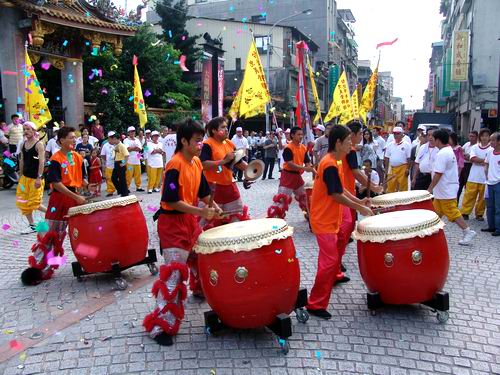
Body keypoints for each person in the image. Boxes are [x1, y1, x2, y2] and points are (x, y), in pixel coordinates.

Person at [143, 119, 222, 346]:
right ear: (184, 141)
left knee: (201, 257)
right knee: (174, 275)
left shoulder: (196, 162)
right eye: (197, 141)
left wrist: (214, 209)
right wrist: (201, 211)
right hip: (172, 224)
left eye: (201, 140)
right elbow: (171, 200)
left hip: (189, 221)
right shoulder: (174, 165)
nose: (200, 145)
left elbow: (204, 191)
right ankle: (161, 327)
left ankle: (198, 290)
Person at [306, 125, 373, 319]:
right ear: (338, 143)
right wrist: (359, 208)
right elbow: (335, 194)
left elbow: (341, 189)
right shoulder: (329, 163)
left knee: (329, 261)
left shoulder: (336, 161)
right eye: (348, 141)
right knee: (330, 262)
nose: (351, 144)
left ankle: (317, 301)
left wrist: (358, 201)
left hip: (329, 219)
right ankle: (315, 304)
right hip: (323, 220)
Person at [21, 126, 88, 285]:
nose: (74, 140)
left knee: (80, 232)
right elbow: (56, 183)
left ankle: (90, 261)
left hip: (74, 197)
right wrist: (76, 196)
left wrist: (87, 186)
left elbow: (81, 179)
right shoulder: (55, 159)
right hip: (59, 200)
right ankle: (37, 269)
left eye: (74, 137)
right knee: (51, 234)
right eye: (71, 137)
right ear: (61, 141)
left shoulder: (78, 157)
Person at [428, 129, 476, 246]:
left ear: (438, 140)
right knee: (437, 212)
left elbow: (438, 173)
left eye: (433, 138)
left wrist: (429, 189)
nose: (431, 140)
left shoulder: (443, 153)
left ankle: (467, 231)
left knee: (452, 212)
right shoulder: (447, 150)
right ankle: (433, 233)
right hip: (443, 190)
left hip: (446, 189)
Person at [200, 117, 250, 226]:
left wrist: (251, 172)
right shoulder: (207, 144)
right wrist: (223, 161)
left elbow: (238, 162)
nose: (226, 129)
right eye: (223, 127)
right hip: (212, 188)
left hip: (230, 187)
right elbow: (203, 165)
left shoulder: (230, 144)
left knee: (236, 220)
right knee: (209, 223)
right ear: (214, 130)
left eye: (226, 127)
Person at [267, 126, 315, 219]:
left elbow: (307, 162)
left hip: (297, 177)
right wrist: (305, 168)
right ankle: (275, 219)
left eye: (302, 134)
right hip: (287, 176)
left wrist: (309, 167)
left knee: (304, 197)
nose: (301, 136)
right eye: (298, 134)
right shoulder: (288, 148)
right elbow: (290, 164)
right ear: (292, 135)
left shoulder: (303, 148)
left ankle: (309, 215)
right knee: (281, 199)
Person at [16, 122, 47, 230]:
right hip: (25, 178)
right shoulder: (23, 144)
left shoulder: (39, 144)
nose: (26, 131)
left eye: (28, 129)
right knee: (23, 202)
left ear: (34, 131)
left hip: (35, 178)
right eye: (24, 129)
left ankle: (53, 215)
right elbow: (22, 160)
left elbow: (42, 162)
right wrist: (20, 176)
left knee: (34, 203)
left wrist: (39, 177)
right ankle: (32, 225)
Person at [460, 128, 492, 221]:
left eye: (486, 135)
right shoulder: (475, 147)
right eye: (483, 136)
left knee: (482, 198)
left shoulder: (491, 148)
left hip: (485, 177)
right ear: (480, 137)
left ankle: (479, 214)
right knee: (469, 195)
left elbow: (490, 161)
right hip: (473, 176)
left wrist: (481, 161)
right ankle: (465, 212)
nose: (485, 138)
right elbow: (472, 158)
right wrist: (485, 161)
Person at [384, 126, 411, 192]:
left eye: (398, 133)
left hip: (403, 168)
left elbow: (409, 158)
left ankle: (403, 201)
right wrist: (386, 170)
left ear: (402, 134)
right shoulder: (390, 145)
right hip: (392, 168)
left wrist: (408, 168)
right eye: (394, 133)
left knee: (403, 187)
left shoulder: (406, 145)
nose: (396, 135)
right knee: (391, 186)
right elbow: (386, 158)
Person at [483, 132, 500, 236]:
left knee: (498, 208)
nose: (491, 142)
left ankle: (498, 228)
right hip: (489, 183)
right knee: (489, 206)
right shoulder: (490, 152)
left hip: (498, 183)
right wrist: (486, 173)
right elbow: (486, 163)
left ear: (499, 141)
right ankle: (491, 226)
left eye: (493, 140)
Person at [458, 131, 478, 200]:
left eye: (473, 136)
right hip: (463, 165)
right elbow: (461, 152)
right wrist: (464, 155)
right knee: (459, 185)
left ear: (476, 137)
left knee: (468, 185)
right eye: (470, 136)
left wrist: (465, 155)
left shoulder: (477, 146)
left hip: (470, 166)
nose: (471, 138)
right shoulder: (467, 144)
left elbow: (471, 158)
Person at [123, 126, 144, 192]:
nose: (132, 133)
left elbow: (140, 149)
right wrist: (135, 148)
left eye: (133, 131)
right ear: (128, 132)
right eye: (131, 131)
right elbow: (127, 149)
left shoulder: (137, 140)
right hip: (129, 161)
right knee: (129, 175)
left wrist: (132, 148)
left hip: (137, 160)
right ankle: (127, 187)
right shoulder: (125, 140)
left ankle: (139, 187)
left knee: (138, 174)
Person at [110, 133, 129, 197]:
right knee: (113, 178)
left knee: (122, 179)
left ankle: (124, 193)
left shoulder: (122, 146)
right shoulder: (116, 146)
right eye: (113, 139)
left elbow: (126, 155)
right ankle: (120, 191)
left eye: (115, 139)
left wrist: (123, 163)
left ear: (119, 139)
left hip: (120, 163)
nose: (114, 141)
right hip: (116, 163)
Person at [100, 131, 116, 197]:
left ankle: (120, 189)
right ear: (108, 138)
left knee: (118, 178)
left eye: (113, 137)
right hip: (109, 165)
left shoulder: (117, 144)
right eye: (111, 137)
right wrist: (107, 160)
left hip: (117, 165)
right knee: (109, 178)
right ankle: (110, 191)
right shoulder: (105, 145)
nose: (113, 138)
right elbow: (103, 155)